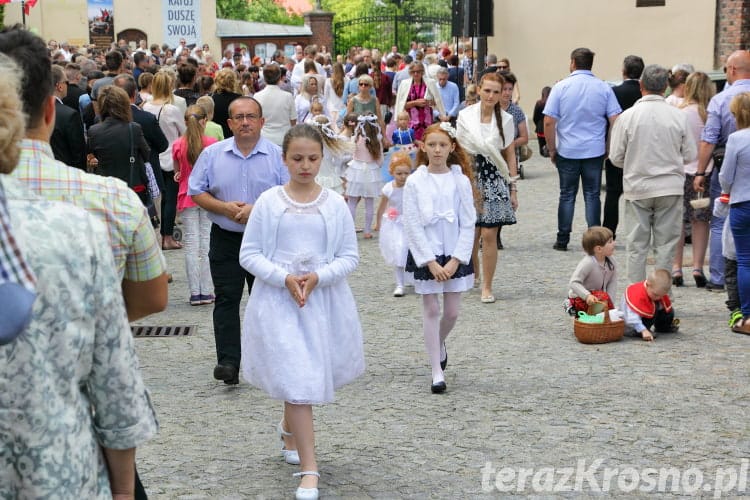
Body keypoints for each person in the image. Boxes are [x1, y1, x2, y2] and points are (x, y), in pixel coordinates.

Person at [0, 42, 158, 499]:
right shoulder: (78, 229)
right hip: (55, 469)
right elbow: (115, 383)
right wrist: (125, 491)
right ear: (51, 111)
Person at [238, 124, 364, 500]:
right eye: (297, 159)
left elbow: (349, 257)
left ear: (322, 159)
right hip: (279, 304)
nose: (305, 166)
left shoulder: (335, 204)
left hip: (322, 304)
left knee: (303, 378)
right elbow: (250, 253)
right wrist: (284, 277)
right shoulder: (270, 202)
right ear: (284, 159)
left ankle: (289, 427)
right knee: (297, 381)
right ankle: (310, 469)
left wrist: (318, 276)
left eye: (312, 158)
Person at [188, 96, 289, 385]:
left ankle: (271, 362)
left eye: (251, 117)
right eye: (239, 117)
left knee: (270, 301)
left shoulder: (276, 155)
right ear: (229, 123)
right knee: (227, 299)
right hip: (226, 238)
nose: (245, 122)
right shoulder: (212, 154)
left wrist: (256, 210)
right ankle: (229, 362)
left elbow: (289, 194)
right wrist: (223, 208)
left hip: (266, 240)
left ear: (261, 121)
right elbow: (196, 190)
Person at [403, 122, 476, 394]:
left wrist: (456, 259)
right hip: (428, 254)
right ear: (423, 147)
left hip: (454, 253)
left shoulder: (460, 180)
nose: (437, 150)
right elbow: (411, 223)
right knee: (432, 309)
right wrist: (430, 261)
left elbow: (469, 222)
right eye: (432, 144)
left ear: (452, 148)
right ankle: (436, 370)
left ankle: (438, 341)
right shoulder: (415, 181)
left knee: (453, 312)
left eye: (442, 145)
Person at [609, 65, 696, 283]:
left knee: (636, 246)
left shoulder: (627, 117)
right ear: (665, 87)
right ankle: (663, 296)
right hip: (669, 186)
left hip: (638, 186)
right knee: (666, 246)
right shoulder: (679, 116)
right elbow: (690, 154)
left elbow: (616, 157)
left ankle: (636, 296)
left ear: (641, 86)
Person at [543, 47, 621, 251]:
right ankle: (595, 239)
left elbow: (549, 121)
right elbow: (615, 119)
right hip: (594, 149)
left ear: (572, 63)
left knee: (567, 194)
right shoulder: (603, 87)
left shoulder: (561, 87)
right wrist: (608, 145)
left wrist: (552, 148)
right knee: (592, 194)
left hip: (568, 149)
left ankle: (562, 238)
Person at [457, 73, 518, 303]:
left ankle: (487, 286)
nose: (491, 95)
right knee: (471, 231)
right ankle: (473, 273)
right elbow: (459, 151)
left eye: (496, 91)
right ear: (479, 90)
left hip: (494, 178)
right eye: (487, 90)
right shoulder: (465, 116)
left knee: (489, 233)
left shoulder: (507, 120)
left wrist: (513, 188)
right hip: (469, 177)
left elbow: (510, 154)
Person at [694, 50, 750, 292]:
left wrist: (699, 172)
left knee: (719, 221)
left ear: (733, 70)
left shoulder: (720, 99)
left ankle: (719, 277)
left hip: (727, 164)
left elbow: (708, 140)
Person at [673, 72, 715, 287]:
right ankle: (697, 267)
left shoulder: (678, 113)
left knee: (678, 221)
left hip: (680, 171)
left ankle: (676, 267)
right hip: (704, 172)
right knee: (701, 221)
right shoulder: (709, 114)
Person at [174, 104, 218, 305]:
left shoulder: (178, 145)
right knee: (206, 243)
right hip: (207, 196)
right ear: (204, 121)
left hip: (186, 196)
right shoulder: (212, 143)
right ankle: (207, 289)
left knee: (191, 245)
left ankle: (195, 292)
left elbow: (177, 173)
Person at [602, 55, 645, 240]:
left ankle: (609, 231)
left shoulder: (614, 92)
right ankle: (640, 232)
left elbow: (607, 120)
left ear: (623, 71)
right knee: (640, 194)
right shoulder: (644, 93)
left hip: (618, 145)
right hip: (641, 149)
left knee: (613, 193)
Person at [143, 71, 187, 251]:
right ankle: (167, 237)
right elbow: (183, 133)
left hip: (151, 157)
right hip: (170, 158)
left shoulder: (145, 107)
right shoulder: (171, 109)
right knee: (170, 199)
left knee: (155, 199)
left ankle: (156, 236)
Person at [719, 92, 750, 334]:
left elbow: (726, 177)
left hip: (742, 202)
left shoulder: (737, 139)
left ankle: (747, 315)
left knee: (744, 261)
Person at [496, 71, 528, 250]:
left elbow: (524, 136)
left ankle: (497, 233)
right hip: (491, 157)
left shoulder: (516, 111)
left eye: (510, 89)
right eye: (504, 89)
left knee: (505, 195)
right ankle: (487, 233)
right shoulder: (490, 109)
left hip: (509, 160)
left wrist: (509, 145)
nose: (507, 93)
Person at [374, 151, 413, 297]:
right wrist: (378, 223)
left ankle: (413, 278)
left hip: (410, 222)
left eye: (406, 173)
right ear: (392, 172)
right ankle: (399, 284)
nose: (403, 177)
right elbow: (381, 207)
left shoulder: (411, 186)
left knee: (411, 251)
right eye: (399, 173)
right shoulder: (388, 188)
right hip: (395, 224)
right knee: (399, 251)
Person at [344, 114, 383, 239]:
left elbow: (351, 153)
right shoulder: (377, 140)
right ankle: (367, 231)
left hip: (356, 170)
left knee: (352, 202)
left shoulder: (355, 138)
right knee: (369, 203)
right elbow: (380, 160)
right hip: (370, 170)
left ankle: (349, 229)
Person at [564, 226, 617, 316]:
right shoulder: (588, 263)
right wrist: (587, 295)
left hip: (596, 297)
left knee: (604, 299)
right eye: (610, 242)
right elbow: (573, 283)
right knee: (602, 297)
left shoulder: (611, 262)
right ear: (599, 249)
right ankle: (571, 307)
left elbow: (612, 283)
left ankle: (598, 315)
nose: (614, 244)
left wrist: (610, 305)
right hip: (580, 297)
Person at [621, 268, 678, 341]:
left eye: (661, 295)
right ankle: (638, 332)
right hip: (630, 325)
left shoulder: (654, 291)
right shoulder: (637, 295)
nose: (658, 298)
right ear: (648, 285)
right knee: (649, 313)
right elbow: (632, 318)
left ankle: (663, 327)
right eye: (656, 295)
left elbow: (664, 308)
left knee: (668, 311)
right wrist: (643, 330)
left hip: (641, 318)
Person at [394, 62, 445, 141]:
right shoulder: (405, 84)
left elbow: (437, 102)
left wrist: (429, 102)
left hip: (427, 120)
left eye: (418, 71)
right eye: (413, 71)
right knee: (412, 143)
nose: (416, 74)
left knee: (427, 142)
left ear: (422, 72)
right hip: (411, 121)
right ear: (410, 72)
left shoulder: (430, 83)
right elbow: (402, 105)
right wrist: (415, 103)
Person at [308, 114, 353, 194]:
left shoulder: (310, 145)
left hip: (315, 177)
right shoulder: (332, 144)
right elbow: (337, 162)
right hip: (330, 177)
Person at [254, 64, 297, 146]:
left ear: (264, 78)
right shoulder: (288, 96)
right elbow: (293, 120)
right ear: (279, 77)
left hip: (265, 138)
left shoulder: (257, 96)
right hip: (283, 138)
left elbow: (256, 119)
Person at [211, 68, 242, 139]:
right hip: (235, 138)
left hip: (216, 138)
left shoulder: (211, 98)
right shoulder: (240, 99)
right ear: (233, 81)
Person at [532, 86, 551, 157]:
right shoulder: (552, 104)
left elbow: (535, 117)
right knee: (550, 145)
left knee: (541, 149)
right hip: (549, 128)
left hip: (540, 129)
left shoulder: (539, 103)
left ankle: (544, 153)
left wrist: (538, 124)